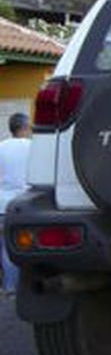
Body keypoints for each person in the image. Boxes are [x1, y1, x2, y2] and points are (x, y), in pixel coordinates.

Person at [1, 112, 33, 295]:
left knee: (6, 248)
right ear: (24, 127)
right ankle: (28, 288)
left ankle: (10, 287)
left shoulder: (1, 147)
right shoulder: (34, 147)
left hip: (3, 206)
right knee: (28, 248)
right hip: (27, 205)